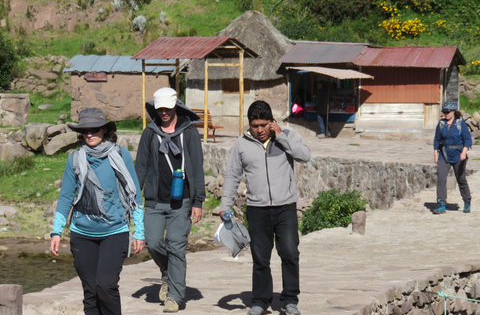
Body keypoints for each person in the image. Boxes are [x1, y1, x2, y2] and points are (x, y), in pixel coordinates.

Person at [50, 107, 145, 315]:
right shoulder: (75, 159)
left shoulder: (122, 155)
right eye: (85, 131)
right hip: (82, 234)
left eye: (94, 129)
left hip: (115, 231)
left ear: (104, 130)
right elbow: (66, 196)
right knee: (90, 292)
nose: (89, 134)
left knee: (106, 286)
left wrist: (139, 231)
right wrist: (56, 231)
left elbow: (134, 195)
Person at [220, 101, 311, 315]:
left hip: (285, 207)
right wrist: (225, 206)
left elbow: (304, 156)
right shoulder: (241, 144)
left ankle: (290, 300)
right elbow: (232, 175)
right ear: (249, 124)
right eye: (254, 125)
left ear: (272, 122)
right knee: (260, 258)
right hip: (257, 209)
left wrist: (282, 137)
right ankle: (260, 300)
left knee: (289, 253)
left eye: (263, 125)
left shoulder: (288, 134)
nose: (259, 130)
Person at [135, 87, 205, 313]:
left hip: (182, 201)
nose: (163, 112)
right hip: (155, 201)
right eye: (159, 109)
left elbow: (197, 167)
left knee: (176, 246)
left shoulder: (190, 133)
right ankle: (167, 274)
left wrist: (198, 201)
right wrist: (134, 198)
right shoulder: (150, 133)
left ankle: (175, 296)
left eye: (167, 108)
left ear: (176, 106)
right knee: (153, 242)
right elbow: (141, 168)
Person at [433, 100, 472, 214]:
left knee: (460, 178)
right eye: (444, 112)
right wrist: (435, 154)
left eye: (448, 112)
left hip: (458, 154)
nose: (446, 114)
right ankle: (441, 203)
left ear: (454, 112)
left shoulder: (461, 123)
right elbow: (436, 140)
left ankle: (467, 200)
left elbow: (467, 139)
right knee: (441, 178)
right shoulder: (441, 124)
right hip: (444, 154)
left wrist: (464, 152)